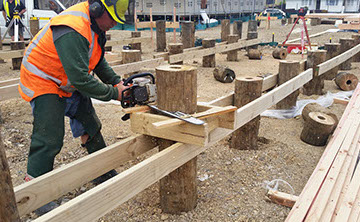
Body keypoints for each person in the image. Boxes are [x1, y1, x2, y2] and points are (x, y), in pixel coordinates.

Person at [19, 0, 133, 183]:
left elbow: (97, 59)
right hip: (43, 78)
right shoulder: (73, 28)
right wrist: (115, 94)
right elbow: (81, 79)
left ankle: (100, 170)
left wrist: (117, 82)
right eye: (112, 18)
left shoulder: (93, 26)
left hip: (66, 76)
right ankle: (35, 189)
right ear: (97, 9)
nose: (115, 23)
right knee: (49, 137)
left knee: (89, 122)